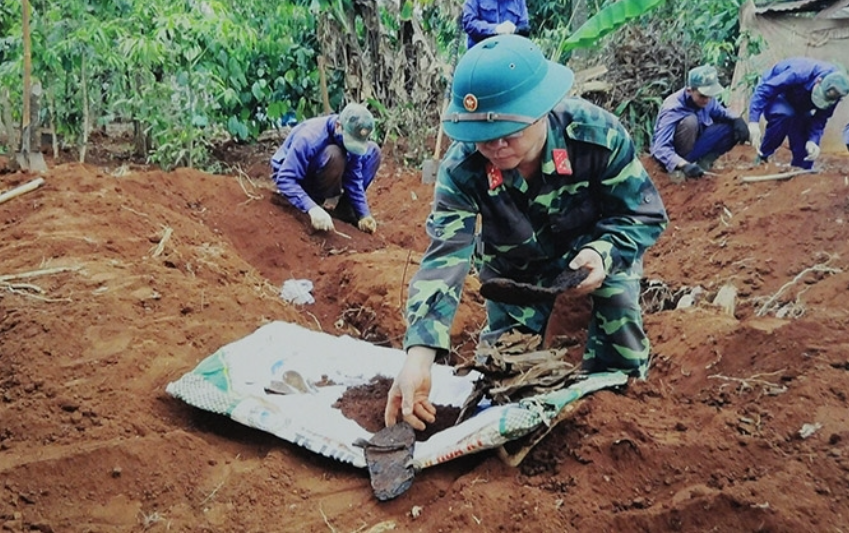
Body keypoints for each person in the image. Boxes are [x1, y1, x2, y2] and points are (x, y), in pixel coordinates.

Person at [384, 35, 668, 431]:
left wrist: (604, 254)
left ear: (542, 111)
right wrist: (418, 356)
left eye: (508, 132)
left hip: (592, 263)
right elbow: (445, 257)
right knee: (503, 381)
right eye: (484, 136)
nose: (495, 147)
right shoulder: (463, 168)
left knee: (616, 364)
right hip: (515, 275)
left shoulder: (595, 137)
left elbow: (643, 214)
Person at [271, 103, 381, 234]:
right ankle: (314, 201)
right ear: (338, 126)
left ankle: (345, 210)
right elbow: (284, 177)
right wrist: (311, 207)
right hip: (298, 177)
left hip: (324, 168)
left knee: (373, 151)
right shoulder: (308, 138)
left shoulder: (350, 135)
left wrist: (364, 214)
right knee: (335, 155)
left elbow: (353, 176)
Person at [651, 65, 749, 180]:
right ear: (689, 90)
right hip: (676, 156)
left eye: (710, 96)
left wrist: (737, 119)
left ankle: (704, 163)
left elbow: (722, 112)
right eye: (702, 96)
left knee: (730, 126)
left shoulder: (707, 100)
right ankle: (679, 171)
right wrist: (683, 164)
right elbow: (660, 148)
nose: (707, 100)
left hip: (696, 147)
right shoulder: (672, 107)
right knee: (690, 121)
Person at [748, 58, 849, 169]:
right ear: (818, 81)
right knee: (785, 114)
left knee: (806, 154)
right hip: (779, 95)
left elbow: (820, 119)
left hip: (800, 105)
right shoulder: (799, 72)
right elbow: (766, 88)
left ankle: (800, 171)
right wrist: (753, 120)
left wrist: (812, 141)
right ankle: (763, 156)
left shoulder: (836, 93)